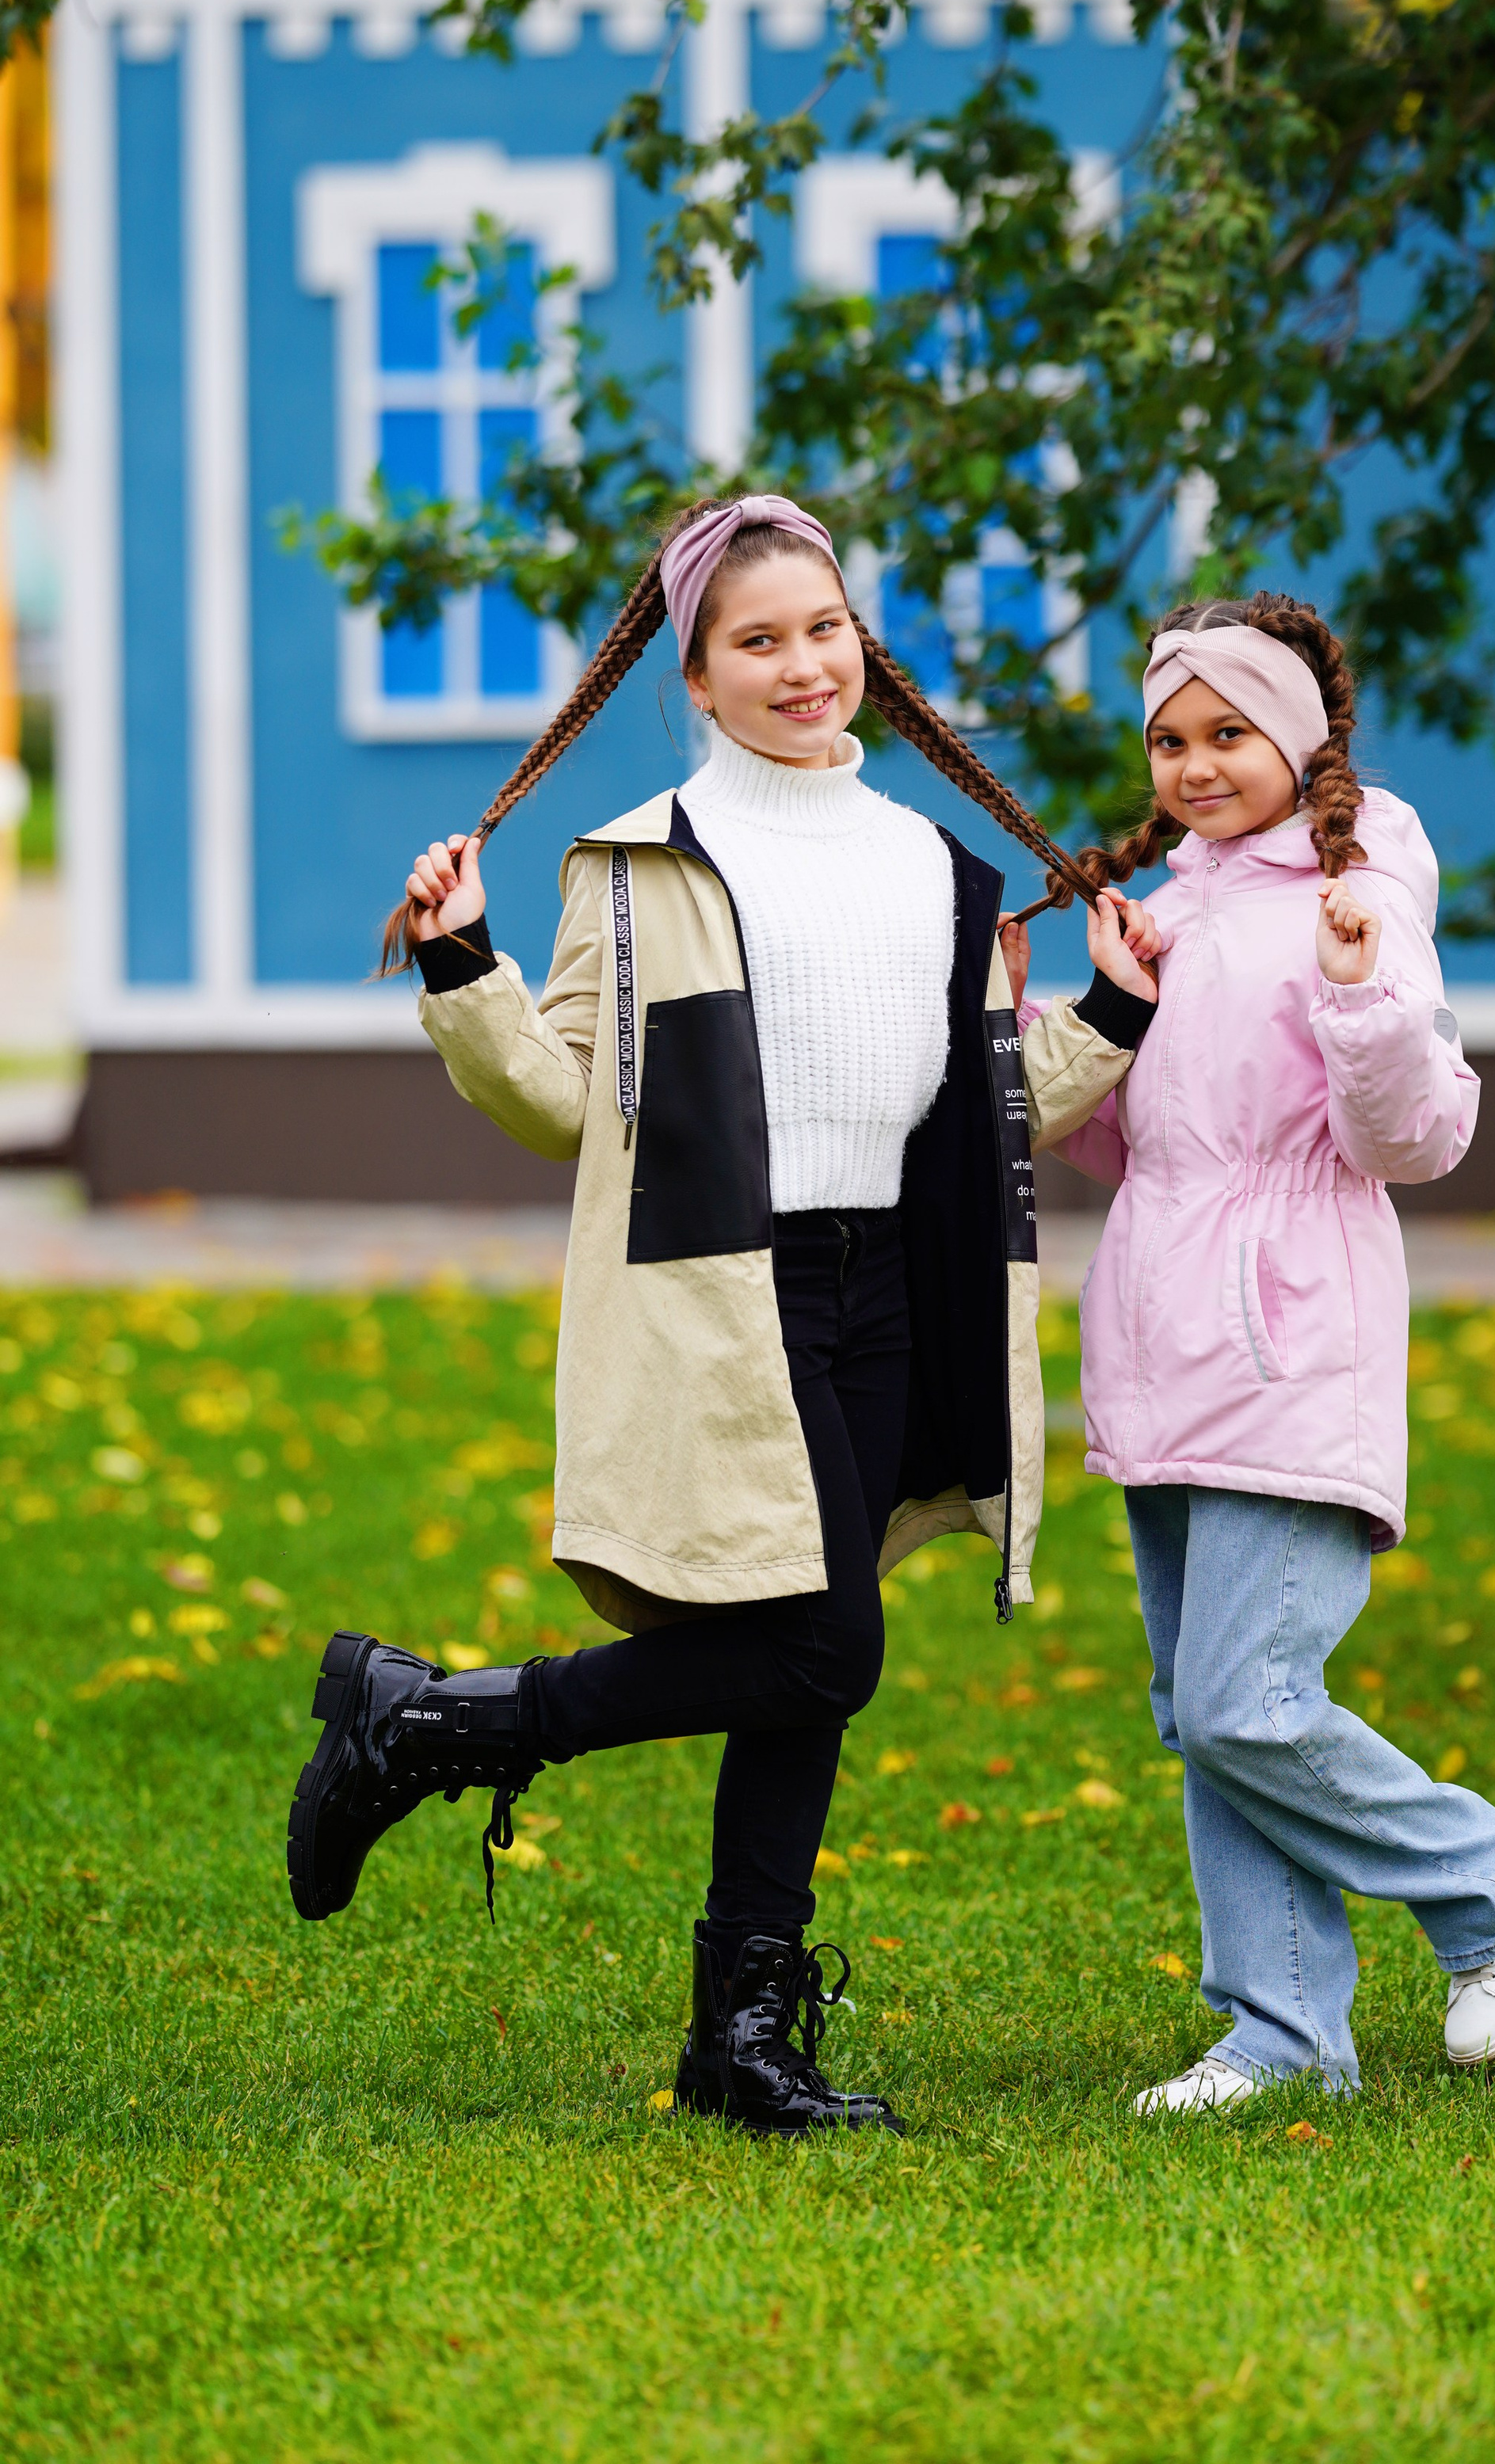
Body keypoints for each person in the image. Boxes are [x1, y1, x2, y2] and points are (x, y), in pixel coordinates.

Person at [286, 494, 1157, 2139]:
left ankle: (732, 2034)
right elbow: (558, 1102)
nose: (800, 665)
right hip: (726, 1296)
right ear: (694, 673)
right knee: (823, 1641)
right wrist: (461, 961)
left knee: (801, 1662)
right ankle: (440, 1725)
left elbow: (981, 1105)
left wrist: (1113, 1009)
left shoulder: (936, 867)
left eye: (823, 632)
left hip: (891, 1287)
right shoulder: (639, 867)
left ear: (862, 648)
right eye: (757, 642)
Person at [1010, 592, 1495, 2109]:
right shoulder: (1172, 910)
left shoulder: (1365, 886)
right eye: (1170, 740)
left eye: (1229, 734)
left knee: (1250, 1695)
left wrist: (1356, 987)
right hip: (1154, 1340)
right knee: (1206, 1713)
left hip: (1293, 1339)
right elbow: (1129, 1158)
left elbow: (1415, 1138)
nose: (1197, 766)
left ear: (1303, 738)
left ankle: (1490, 1879)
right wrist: (1086, 1012)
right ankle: (1283, 2029)